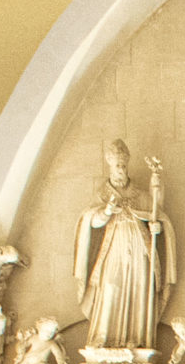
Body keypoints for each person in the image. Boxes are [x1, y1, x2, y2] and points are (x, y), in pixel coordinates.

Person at [73, 139, 177, 351]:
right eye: (117, 166)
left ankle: (137, 339)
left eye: (123, 165)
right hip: (113, 250)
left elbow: (158, 214)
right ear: (110, 166)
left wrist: (157, 227)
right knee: (110, 287)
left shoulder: (140, 195)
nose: (120, 170)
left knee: (139, 288)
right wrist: (106, 212)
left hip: (139, 250)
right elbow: (90, 221)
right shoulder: (102, 195)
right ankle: (103, 338)